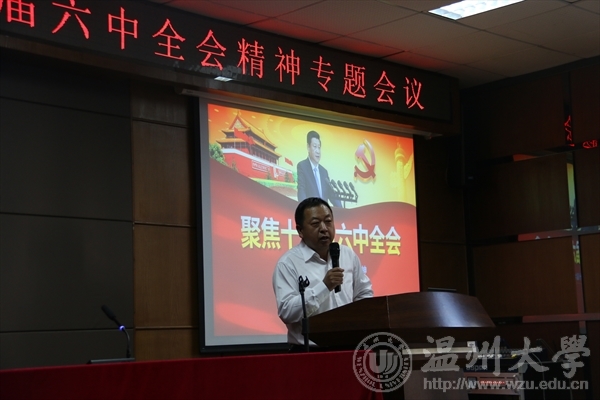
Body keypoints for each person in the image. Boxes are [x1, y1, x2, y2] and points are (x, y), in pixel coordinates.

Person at [272, 197, 373, 345]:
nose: (324, 228)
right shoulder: (288, 264)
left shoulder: (347, 254)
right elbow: (287, 312)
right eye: (315, 224)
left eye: (328, 221)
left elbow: (364, 294)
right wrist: (324, 287)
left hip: (349, 347)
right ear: (300, 230)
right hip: (309, 352)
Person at [296, 131, 342, 207]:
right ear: (308, 147)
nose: (318, 151)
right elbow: (301, 191)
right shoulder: (302, 166)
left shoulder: (324, 172)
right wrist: (303, 209)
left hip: (324, 212)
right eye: (314, 146)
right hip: (311, 211)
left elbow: (332, 195)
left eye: (319, 147)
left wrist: (342, 210)